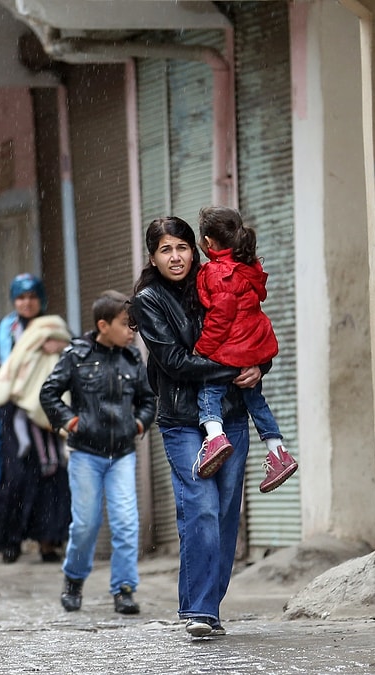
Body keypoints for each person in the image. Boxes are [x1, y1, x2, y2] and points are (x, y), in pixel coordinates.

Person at [129, 215, 266, 638]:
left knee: (224, 516)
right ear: (153, 257)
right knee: (201, 508)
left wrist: (259, 365)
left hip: (231, 414)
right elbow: (174, 362)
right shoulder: (149, 300)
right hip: (183, 422)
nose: (175, 257)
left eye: (182, 247)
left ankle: (208, 608)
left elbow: (251, 328)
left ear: (196, 250)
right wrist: (234, 368)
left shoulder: (217, 280)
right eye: (165, 250)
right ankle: (200, 611)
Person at [39, 290, 157, 616]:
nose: (132, 330)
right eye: (126, 324)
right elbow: (49, 393)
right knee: (86, 524)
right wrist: (70, 422)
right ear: (103, 325)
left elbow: (148, 399)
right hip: (86, 455)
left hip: (122, 454)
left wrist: (138, 424)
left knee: (126, 523)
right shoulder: (76, 355)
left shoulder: (133, 358)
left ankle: (124, 589)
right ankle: (74, 579)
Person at [193, 206, 299, 492]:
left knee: (208, 390)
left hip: (232, 346)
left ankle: (215, 436)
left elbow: (221, 317)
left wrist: (202, 349)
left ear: (208, 242)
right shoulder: (249, 266)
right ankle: (278, 452)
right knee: (255, 399)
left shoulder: (217, 272)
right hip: (253, 345)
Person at [0, 273, 72, 564]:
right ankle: (10, 541)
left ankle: (49, 542)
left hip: (49, 411)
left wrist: (63, 347)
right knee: (16, 478)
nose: (26, 303)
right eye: (20, 298)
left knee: (52, 476)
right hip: (15, 415)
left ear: (41, 298)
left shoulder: (54, 328)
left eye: (31, 297)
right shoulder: (5, 330)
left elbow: (79, 352)